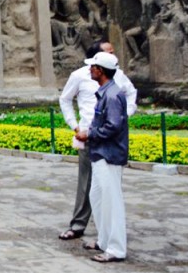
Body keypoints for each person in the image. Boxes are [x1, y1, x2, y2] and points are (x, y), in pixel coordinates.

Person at [57, 41, 138, 241]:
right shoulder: (80, 76)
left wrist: (124, 116)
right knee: (89, 185)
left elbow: (130, 95)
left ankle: (111, 235)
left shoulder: (115, 82)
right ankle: (82, 225)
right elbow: (65, 99)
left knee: (110, 188)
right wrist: (75, 125)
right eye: (108, 53)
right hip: (89, 134)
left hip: (107, 139)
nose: (114, 56)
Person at [75, 51, 129, 263]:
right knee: (97, 198)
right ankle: (104, 240)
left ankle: (116, 248)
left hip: (109, 154)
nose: (89, 69)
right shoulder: (104, 92)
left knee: (111, 202)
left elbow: (113, 126)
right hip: (100, 153)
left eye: (93, 67)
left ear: (100, 70)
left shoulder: (113, 95)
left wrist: (89, 134)